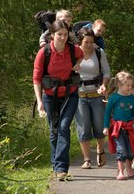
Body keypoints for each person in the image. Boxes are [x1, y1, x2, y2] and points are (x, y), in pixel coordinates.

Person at [33, 20, 84, 181]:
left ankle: (61, 168)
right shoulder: (44, 53)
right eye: (59, 34)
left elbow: (81, 54)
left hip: (71, 94)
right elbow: (36, 78)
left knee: (63, 126)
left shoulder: (72, 50)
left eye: (65, 34)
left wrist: (78, 64)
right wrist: (39, 101)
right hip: (50, 96)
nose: (62, 37)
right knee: (54, 129)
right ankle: (55, 165)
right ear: (52, 35)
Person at [74, 28, 111, 170]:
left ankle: (100, 151)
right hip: (80, 96)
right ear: (80, 42)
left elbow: (107, 71)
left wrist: (104, 85)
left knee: (100, 126)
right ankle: (86, 159)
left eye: (91, 41)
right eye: (86, 42)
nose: (89, 45)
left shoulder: (99, 52)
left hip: (97, 95)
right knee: (83, 127)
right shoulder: (74, 53)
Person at [103, 71, 134, 180]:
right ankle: (120, 171)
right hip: (118, 129)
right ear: (119, 85)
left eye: (131, 85)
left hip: (130, 128)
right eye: (128, 85)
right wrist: (106, 127)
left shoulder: (131, 99)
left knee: (131, 150)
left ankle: (129, 168)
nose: (130, 87)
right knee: (121, 149)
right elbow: (107, 113)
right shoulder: (113, 98)